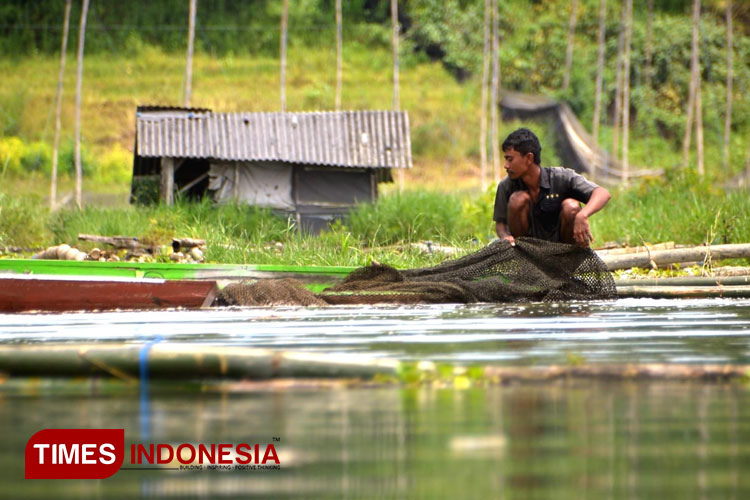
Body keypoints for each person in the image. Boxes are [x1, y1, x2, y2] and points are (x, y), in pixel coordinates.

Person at [493, 128, 611, 247]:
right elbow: (500, 224)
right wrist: (505, 236)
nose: (506, 166)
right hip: (528, 253)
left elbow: (602, 193)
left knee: (571, 206)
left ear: (529, 158)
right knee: (518, 199)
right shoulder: (506, 185)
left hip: (564, 250)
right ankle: (525, 255)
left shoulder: (561, 177)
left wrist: (582, 215)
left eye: (510, 159)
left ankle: (569, 258)